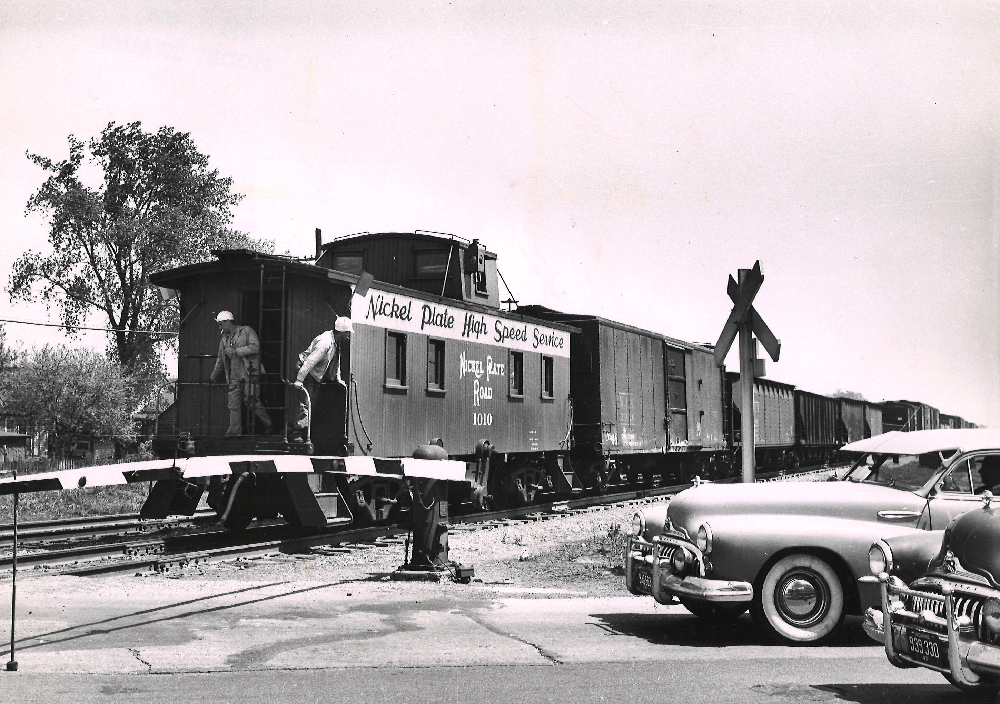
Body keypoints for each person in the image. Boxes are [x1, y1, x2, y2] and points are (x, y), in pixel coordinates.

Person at [210, 311, 272, 436]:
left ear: (228, 321)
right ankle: (234, 433)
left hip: (249, 373)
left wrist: (237, 351)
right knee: (233, 405)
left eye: (221, 324)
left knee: (252, 401)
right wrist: (213, 376)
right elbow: (220, 360)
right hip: (234, 376)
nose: (220, 328)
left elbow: (255, 347)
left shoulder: (247, 331)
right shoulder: (223, 340)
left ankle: (269, 424)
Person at [292, 316, 352, 442]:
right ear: (342, 332)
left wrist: (338, 378)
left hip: (314, 376)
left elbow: (335, 362)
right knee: (305, 404)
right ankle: (295, 433)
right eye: (347, 333)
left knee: (309, 405)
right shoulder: (325, 342)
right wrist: (299, 379)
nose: (348, 336)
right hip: (307, 374)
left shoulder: (335, 342)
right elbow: (309, 361)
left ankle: (299, 432)